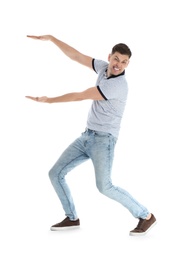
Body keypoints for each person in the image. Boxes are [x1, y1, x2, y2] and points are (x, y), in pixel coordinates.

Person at [26, 34, 156, 236]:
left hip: (104, 141)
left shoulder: (117, 85)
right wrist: (52, 39)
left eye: (123, 62)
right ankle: (72, 218)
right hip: (87, 137)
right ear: (110, 57)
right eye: (116, 59)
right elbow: (76, 56)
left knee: (105, 187)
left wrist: (48, 100)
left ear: (128, 64)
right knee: (55, 173)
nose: (118, 65)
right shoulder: (104, 68)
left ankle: (146, 215)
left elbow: (80, 95)